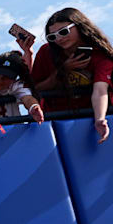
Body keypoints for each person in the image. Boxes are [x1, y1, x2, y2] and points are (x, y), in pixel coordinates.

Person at [31, 8, 112, 143]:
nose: (59, 39)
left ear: (80, 26)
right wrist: (62, 71)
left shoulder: (101, 56)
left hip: (91, 120)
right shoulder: (46, 52)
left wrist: (100, 119)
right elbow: (33, 89)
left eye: (64, 31)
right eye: (53, 36)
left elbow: (100, 90)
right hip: (55, 123)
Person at [0, 51, 45, 128]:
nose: (0, 80)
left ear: (14, 78)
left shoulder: (17, 85)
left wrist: (33, 107)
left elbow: (27, 98)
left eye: (6, 77)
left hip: (14, 131)